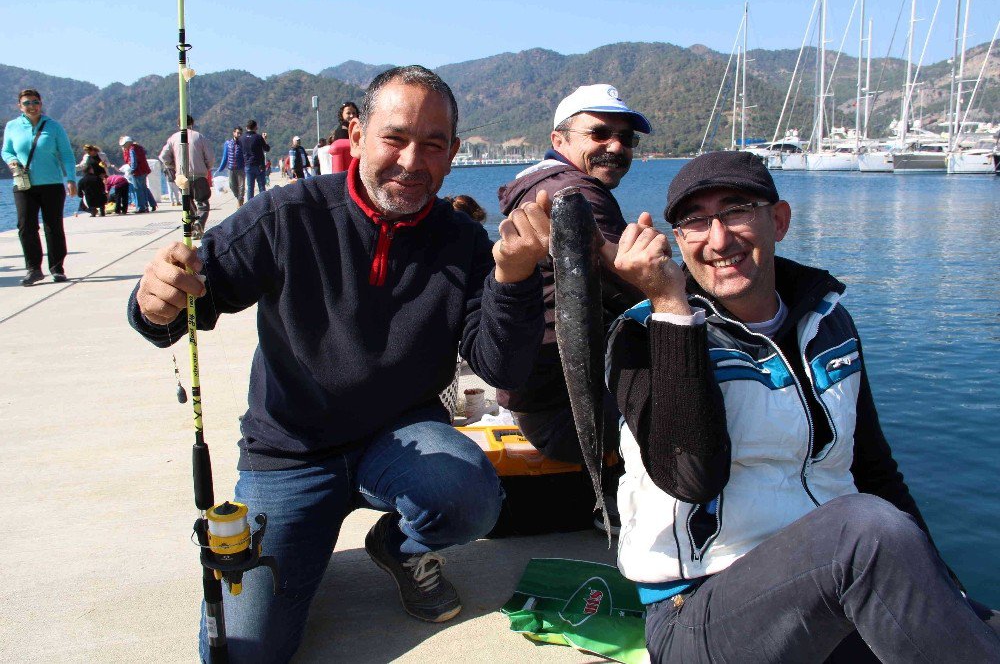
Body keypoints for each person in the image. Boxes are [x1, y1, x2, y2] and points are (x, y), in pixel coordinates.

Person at [127, 65, 549, 662]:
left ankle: (399, 548)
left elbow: (501, 367)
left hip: (405, 437)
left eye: (433, 145)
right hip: (288, 454)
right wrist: (155, 300)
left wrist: (514, 276)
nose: (411, 161)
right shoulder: (285, 214)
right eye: (395, 138)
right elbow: (184, 304)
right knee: (244, 652)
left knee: (470, 494)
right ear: (357, 132)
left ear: (453, 154)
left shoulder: (464, 243)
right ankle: (297, 549)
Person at [605, 150, 1000, 663]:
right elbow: (690, 476)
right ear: (679, 240)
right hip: (698, 611)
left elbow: (874, 469)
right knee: (863, 528)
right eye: (695, 222)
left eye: (737, 210)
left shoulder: (829, 323)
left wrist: (946, 588)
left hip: (834, 588)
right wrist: (672, 309)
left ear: (781, 220)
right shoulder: (643, 336)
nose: (718, 238)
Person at [495, 83, 650, 532]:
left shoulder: (538, 184)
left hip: (536, 404)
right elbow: (640, 289)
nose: (616, 147)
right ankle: (623, 503)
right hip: (565, 417)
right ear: (559, 140)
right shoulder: (576, 193)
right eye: (599, 134)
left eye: (626, 138)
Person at [2, 89, 77, 285]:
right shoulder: (12, 126)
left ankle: (57, 268)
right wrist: (11, 161)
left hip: (51, 184)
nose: (32, 106)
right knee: (25, 226)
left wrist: (71, 179)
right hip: (23, 184)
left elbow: (67, 155)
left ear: (41, 104)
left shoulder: (53, 127)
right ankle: (33, 269)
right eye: (27, 103)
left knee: (53, 227)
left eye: (35, 102)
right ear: (20, 106)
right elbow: (6, 151)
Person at [160, 114, 215, 229]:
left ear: (178, 124)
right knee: (202, 203)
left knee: (187, 203)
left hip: (181, 176)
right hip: (199, 174)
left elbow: (163, 156)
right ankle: (199, 224)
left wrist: (173, 166)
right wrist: (206, 168)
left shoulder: (173, 138)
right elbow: (210, 157)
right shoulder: (199, 137)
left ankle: (190, 225)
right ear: (192, 123)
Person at [119, 136, 157, 213]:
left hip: (137, 171)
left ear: (128, 143)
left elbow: (133, 161)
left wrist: (132, 170)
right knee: (144, 188)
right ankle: (147, 205)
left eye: (124, 145)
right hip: (144, 170)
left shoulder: (132, 149)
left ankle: (141, 207)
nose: (124, 147)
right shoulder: (138, 148)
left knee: (138, 190)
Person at [238, 119, 270, 199]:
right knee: (262, 187)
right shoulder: (258, 137)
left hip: (248, 165)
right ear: (256, 127)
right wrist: (264, 139)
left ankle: (250, 207)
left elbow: (241, 150)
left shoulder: (241, 139)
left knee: (250, 188)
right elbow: (266, 148)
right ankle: (264, 204)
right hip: (259, 165)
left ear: (246, 127)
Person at [216, 126, 245, 207]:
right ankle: (238, 197)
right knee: (232, 185)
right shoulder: (228, 143)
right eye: (237, 132)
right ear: (234, 133)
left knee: (241, 186)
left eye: (240, 133)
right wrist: (220, 168)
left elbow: (245, 156)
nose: (239, 134)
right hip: (231, 168)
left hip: (240, 168)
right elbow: (225, 157)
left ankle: (240, 200)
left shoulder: (242, 144)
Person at [78, 146, 108, 217]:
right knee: (94, 192)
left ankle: (96, 210)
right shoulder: (86, 156)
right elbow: (82, 165)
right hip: (92, 178)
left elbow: (108, 164)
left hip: (100, 176)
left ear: (93, 150)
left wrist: (105, 164)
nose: (88, 153)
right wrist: (74, 167)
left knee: (98, 192)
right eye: (87, 152)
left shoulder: (102, 155)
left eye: (89, 152)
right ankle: (96, 209)